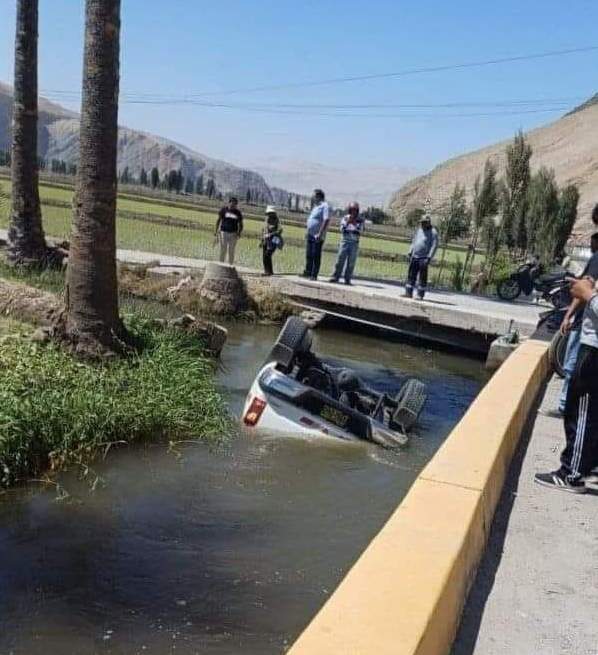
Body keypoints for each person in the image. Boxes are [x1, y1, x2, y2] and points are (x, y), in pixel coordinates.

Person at [535, 275, 598, 493]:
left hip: (594, 351)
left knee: (582, 412)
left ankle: (572, 473)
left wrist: (588, 294)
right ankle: (588, 465)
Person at [556, 232, 598, 414]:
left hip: (588, 332)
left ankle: (565, 406)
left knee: (572, 366)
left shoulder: (596, 260)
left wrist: (569, 315)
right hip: (582, 321)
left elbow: (584, 292)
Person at [329, 201, 364, 285]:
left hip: (354, 243)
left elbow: (360, 231)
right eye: (352, 209)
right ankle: (335, 276)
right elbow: (342, 229)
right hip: (345, 241)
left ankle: (347, 279)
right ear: (349, 210)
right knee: (340, 259)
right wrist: (348, 222)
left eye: (355, 210)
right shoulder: (345, 218)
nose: (353, 212)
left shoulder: (360, 220)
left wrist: (355, 224)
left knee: (351, 262)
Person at [404, 215, 438, 300]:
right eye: (421, 222)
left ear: (428, 222)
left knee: (422, 277)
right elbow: (414, 241)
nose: (422, 224)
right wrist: (410, 251)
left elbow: (434, 246)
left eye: (424, 222)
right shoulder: (419, 230)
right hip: (415, 256)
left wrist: (429, 257)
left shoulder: (433, 232)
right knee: (411, 275)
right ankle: (408, 292)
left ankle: (420, 294)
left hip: (424, 258)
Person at [303, 189, 330, 280]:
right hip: (310, 234)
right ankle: (308, 272)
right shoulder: (315, 207)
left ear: (318, 196)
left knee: (315, 254)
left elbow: (326, 220)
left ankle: (314, 275)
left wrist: (320, 233)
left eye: (314, 196)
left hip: (317, 235)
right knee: (309, 254)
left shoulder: (325, 206)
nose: (312, 198)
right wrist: (307, 231)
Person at [215, 196, 243, 265]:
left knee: (231, 250)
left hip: (233, 234)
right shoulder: (224, 210)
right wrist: (216, 231)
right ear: (229, 203)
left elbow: (241, 224)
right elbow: (218, 220)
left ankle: (230, 265)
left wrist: (239, 233)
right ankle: (221, 264)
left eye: (235, 204)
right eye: (232, 203)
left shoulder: (238, 213)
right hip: (223, 232)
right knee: (223, 249)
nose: (233, 205)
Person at [261, 205, 283, 276]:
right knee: (264, 256)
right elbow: (263, 230)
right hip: (266, 239)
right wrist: (262, 240)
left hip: (274, 239)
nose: (269, 214)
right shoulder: (267, 219)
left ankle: (269, 272)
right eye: (269, 213)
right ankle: (267, 271)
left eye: (271, 212)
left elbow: (280, 230)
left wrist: (271, 234)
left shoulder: (277, 220)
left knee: (268, 254)